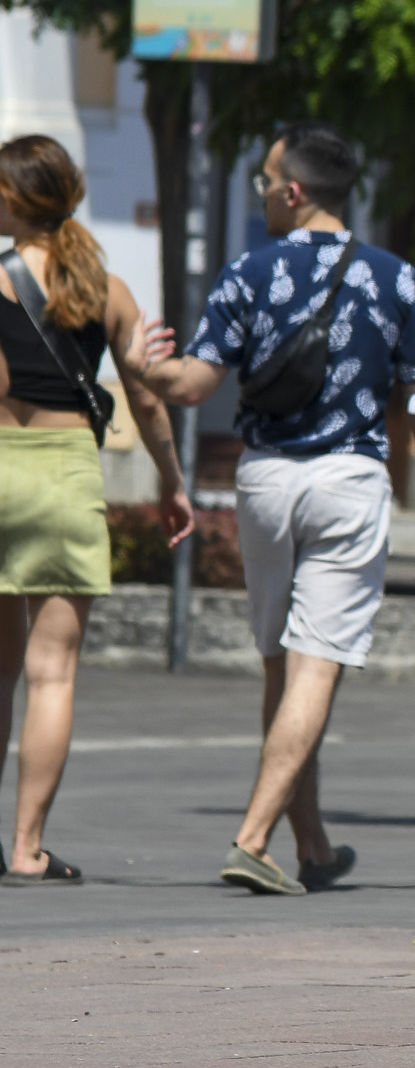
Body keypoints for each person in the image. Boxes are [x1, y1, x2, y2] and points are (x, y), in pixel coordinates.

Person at [134, 120, 415, 896]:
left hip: (266, 482)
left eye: (263, 183)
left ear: (293, 191)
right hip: (349, 481)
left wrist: (147, 371)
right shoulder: (400, 279)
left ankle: (311, 845)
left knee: (282, 668)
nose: (262, 196)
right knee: (318, 668)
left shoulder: (248, 273)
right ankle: (253, 838)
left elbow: (193, 387)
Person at [0, 135, 193, 885]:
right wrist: (172, 481)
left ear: (20, 198)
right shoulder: (104, 287)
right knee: (52, 674)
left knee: (0, 672)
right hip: (64, 478)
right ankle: (27, 847)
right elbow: (145, 394)